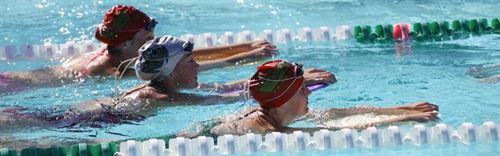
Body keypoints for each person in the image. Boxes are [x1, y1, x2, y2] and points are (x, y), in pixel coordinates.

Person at [0, 36, 335, 130]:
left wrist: (291, 80)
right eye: (190, 62)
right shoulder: (161, 97)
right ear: (173, 71)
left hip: (81, 117)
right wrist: (287, 85)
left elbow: (219, 90)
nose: (198, 65)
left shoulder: (169, 87)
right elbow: (219, 100)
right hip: (74, 123)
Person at [0, 5, 278, 95]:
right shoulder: (115, 68)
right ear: (123, 43)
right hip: (14, 88)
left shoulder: (118, 52)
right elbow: (183, 64)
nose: (152, 44)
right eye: (147, 39)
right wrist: (245, 58)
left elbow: (179, 55)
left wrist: (245, 45)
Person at [177, 60, 439, 137]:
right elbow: (331, 131)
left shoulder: (275, 111)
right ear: (287, 97)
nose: (309, 93)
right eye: (303, 89)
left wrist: (396, 109)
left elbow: (335, 114)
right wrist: (405, 120)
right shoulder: (266, 129)